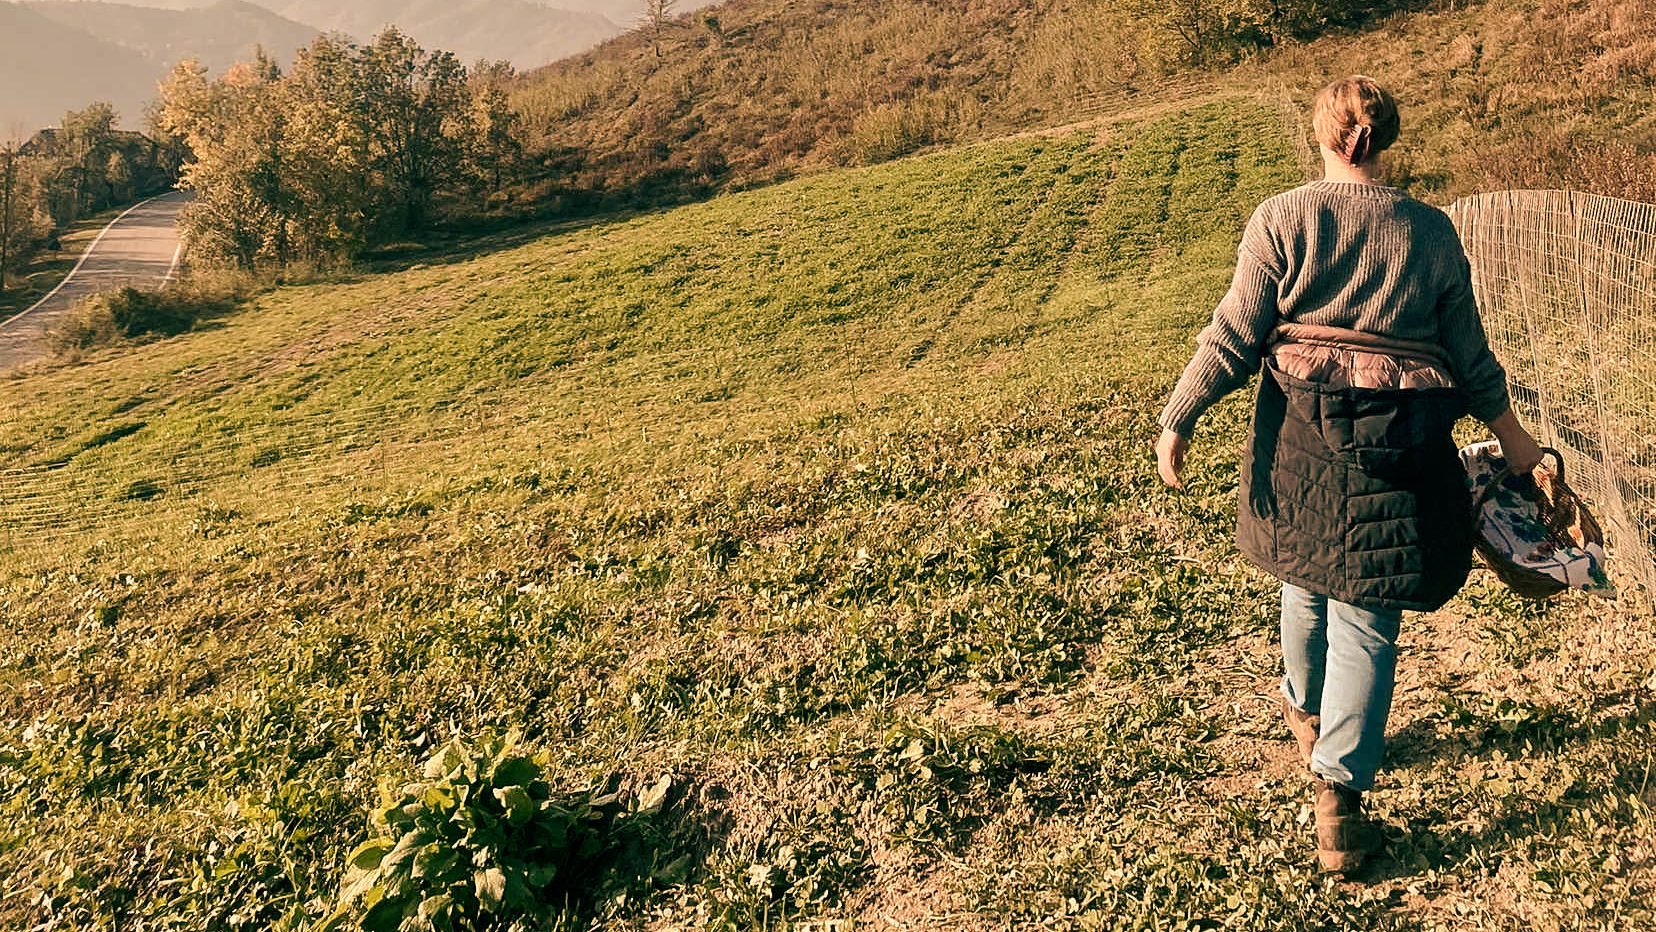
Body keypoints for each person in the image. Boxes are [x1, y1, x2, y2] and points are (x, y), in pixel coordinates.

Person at [1152, 76, 1545, 874]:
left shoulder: (1282, 218)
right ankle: (1338, 796)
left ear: (1324, 138)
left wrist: (1178, 415)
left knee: (1303, 577)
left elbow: (1234, 333)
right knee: (1367, 609)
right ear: (1385, 138)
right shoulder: (1429, 233)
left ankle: (1306, 714)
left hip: (1299, 433)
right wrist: (1513, 438)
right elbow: (1468, 356)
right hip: (1400, 447)